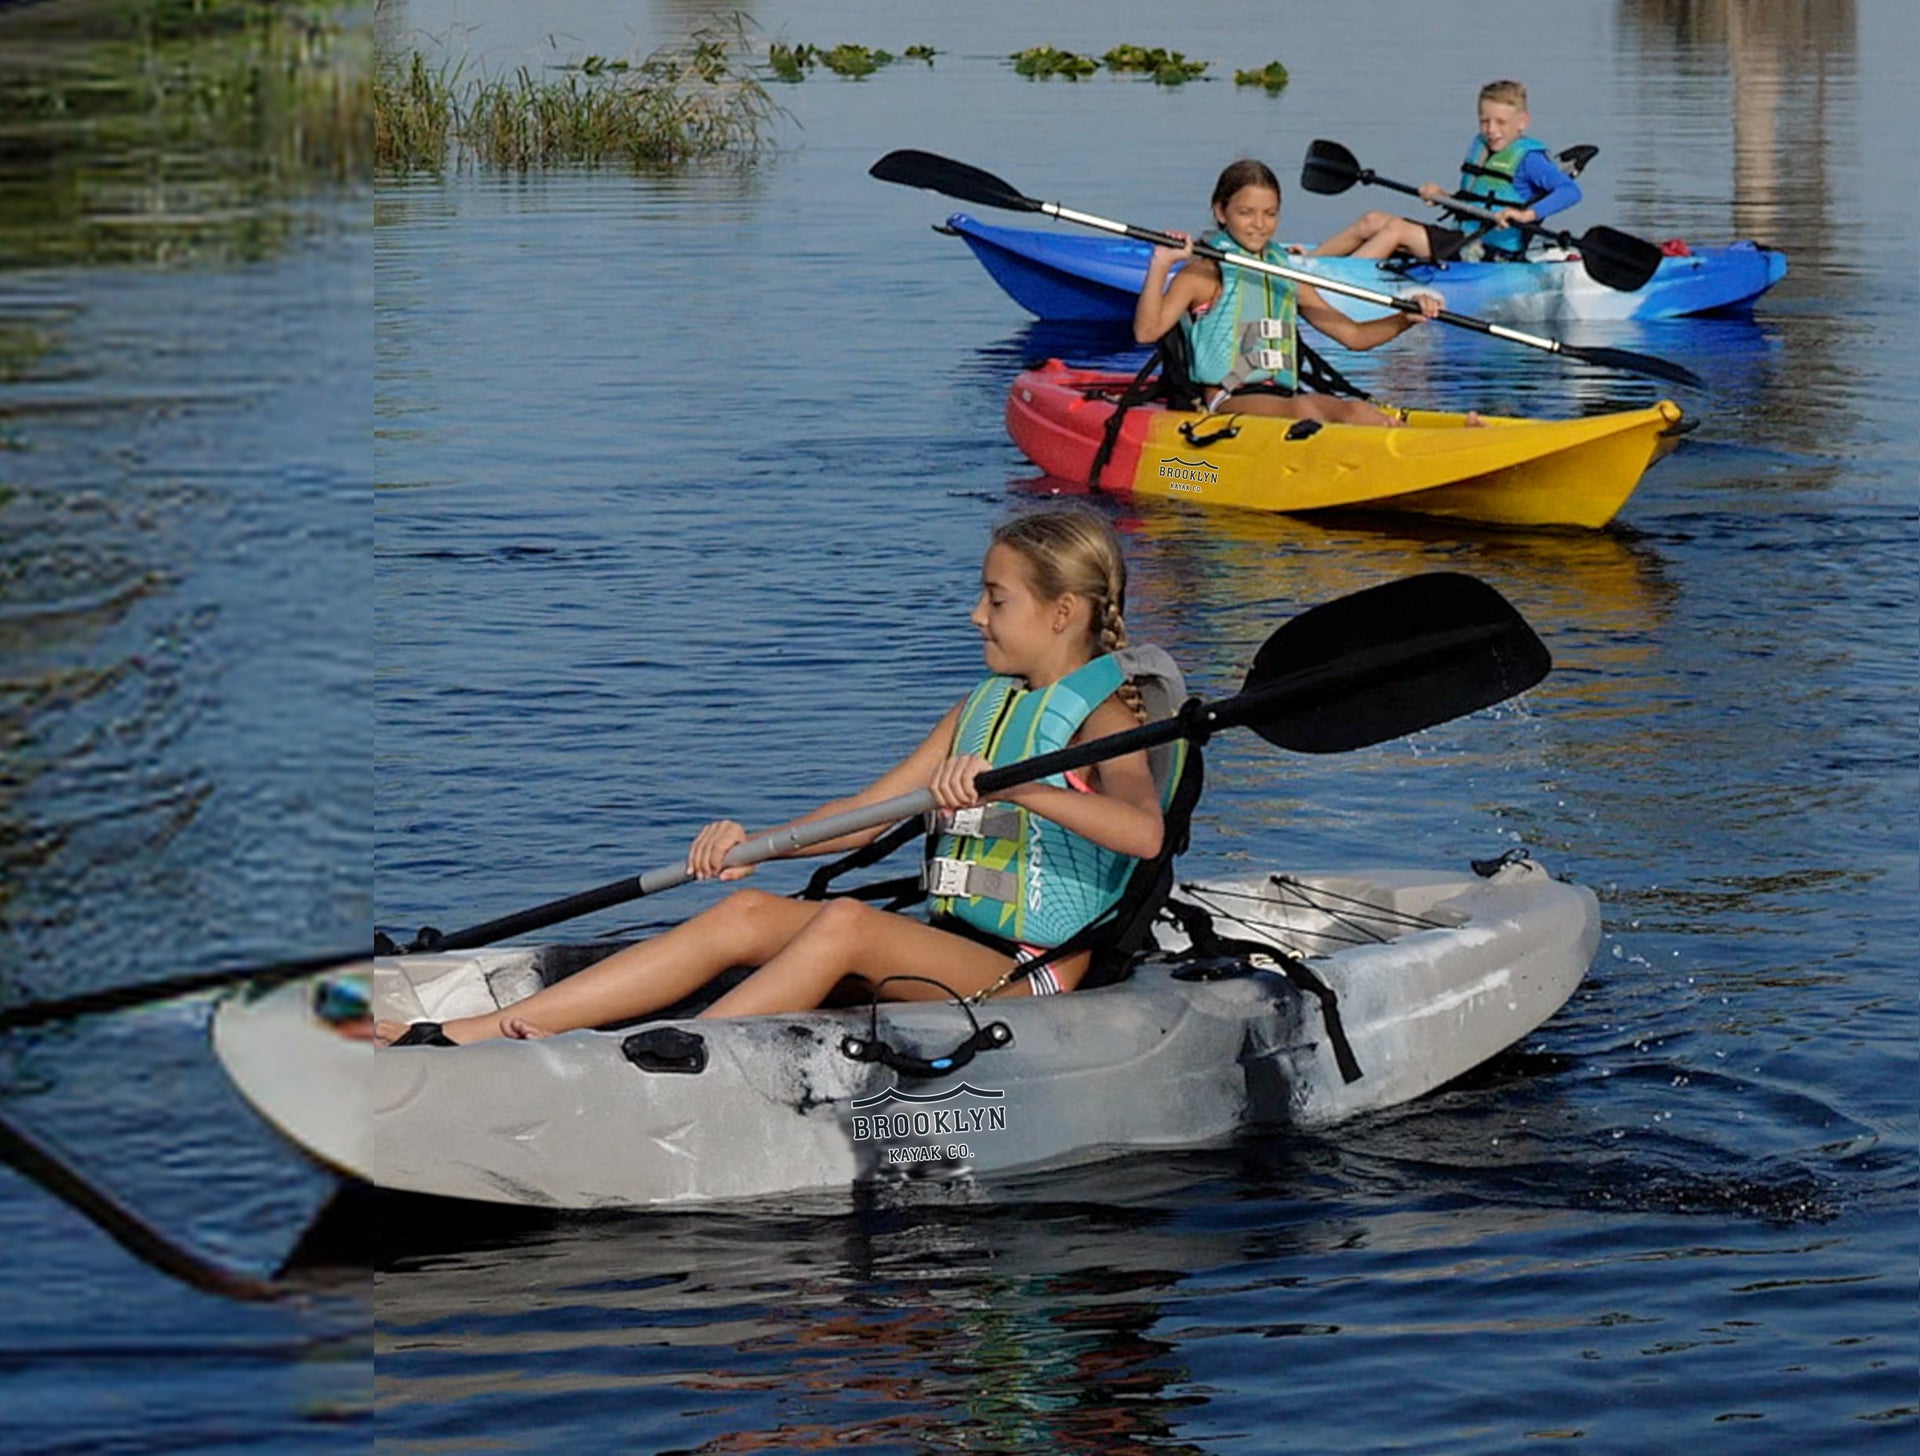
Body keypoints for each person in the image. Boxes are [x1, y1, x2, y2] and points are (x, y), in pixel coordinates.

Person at [376, 508, 1167, 1047]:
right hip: (954, 943)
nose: (975, 615)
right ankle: (458, 1036)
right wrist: (755, 847)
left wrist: (1023, 789)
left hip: (1030, 970)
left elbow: (1143, 832)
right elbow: (866, 814)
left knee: (846, 923)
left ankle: (678, 1054)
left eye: (995, 600)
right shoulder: (986, 706)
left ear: (1062, 613)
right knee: (749, 912)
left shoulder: (1105, 718)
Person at [1133, 158, 1444, 425]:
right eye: (1246, 212)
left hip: (1281, 397)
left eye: (1270, 213)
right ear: (1221, 212)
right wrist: (1161, 263)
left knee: (1357, 410)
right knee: (1306, 409)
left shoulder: (1285, 275)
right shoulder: (1202, 275)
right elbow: (1147, 332)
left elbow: (1354, 336)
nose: (1259, 224)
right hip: (1225, 397)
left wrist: (1404, 319)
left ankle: (1418, 448)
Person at [1309, 79, 1581, 264]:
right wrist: (1443, 196)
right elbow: (1473, 202)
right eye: (1484, 121)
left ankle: (1339, 280)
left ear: (1523, 122)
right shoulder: (1481, 147)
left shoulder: (1530, 160)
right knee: (1372, 220)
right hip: (1461, 240)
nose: (1491, 130)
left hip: (1490, 253)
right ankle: (1310, 262)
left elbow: (1570, 191)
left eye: (1501, 122)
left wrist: (1526, 215)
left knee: (1397, 230)